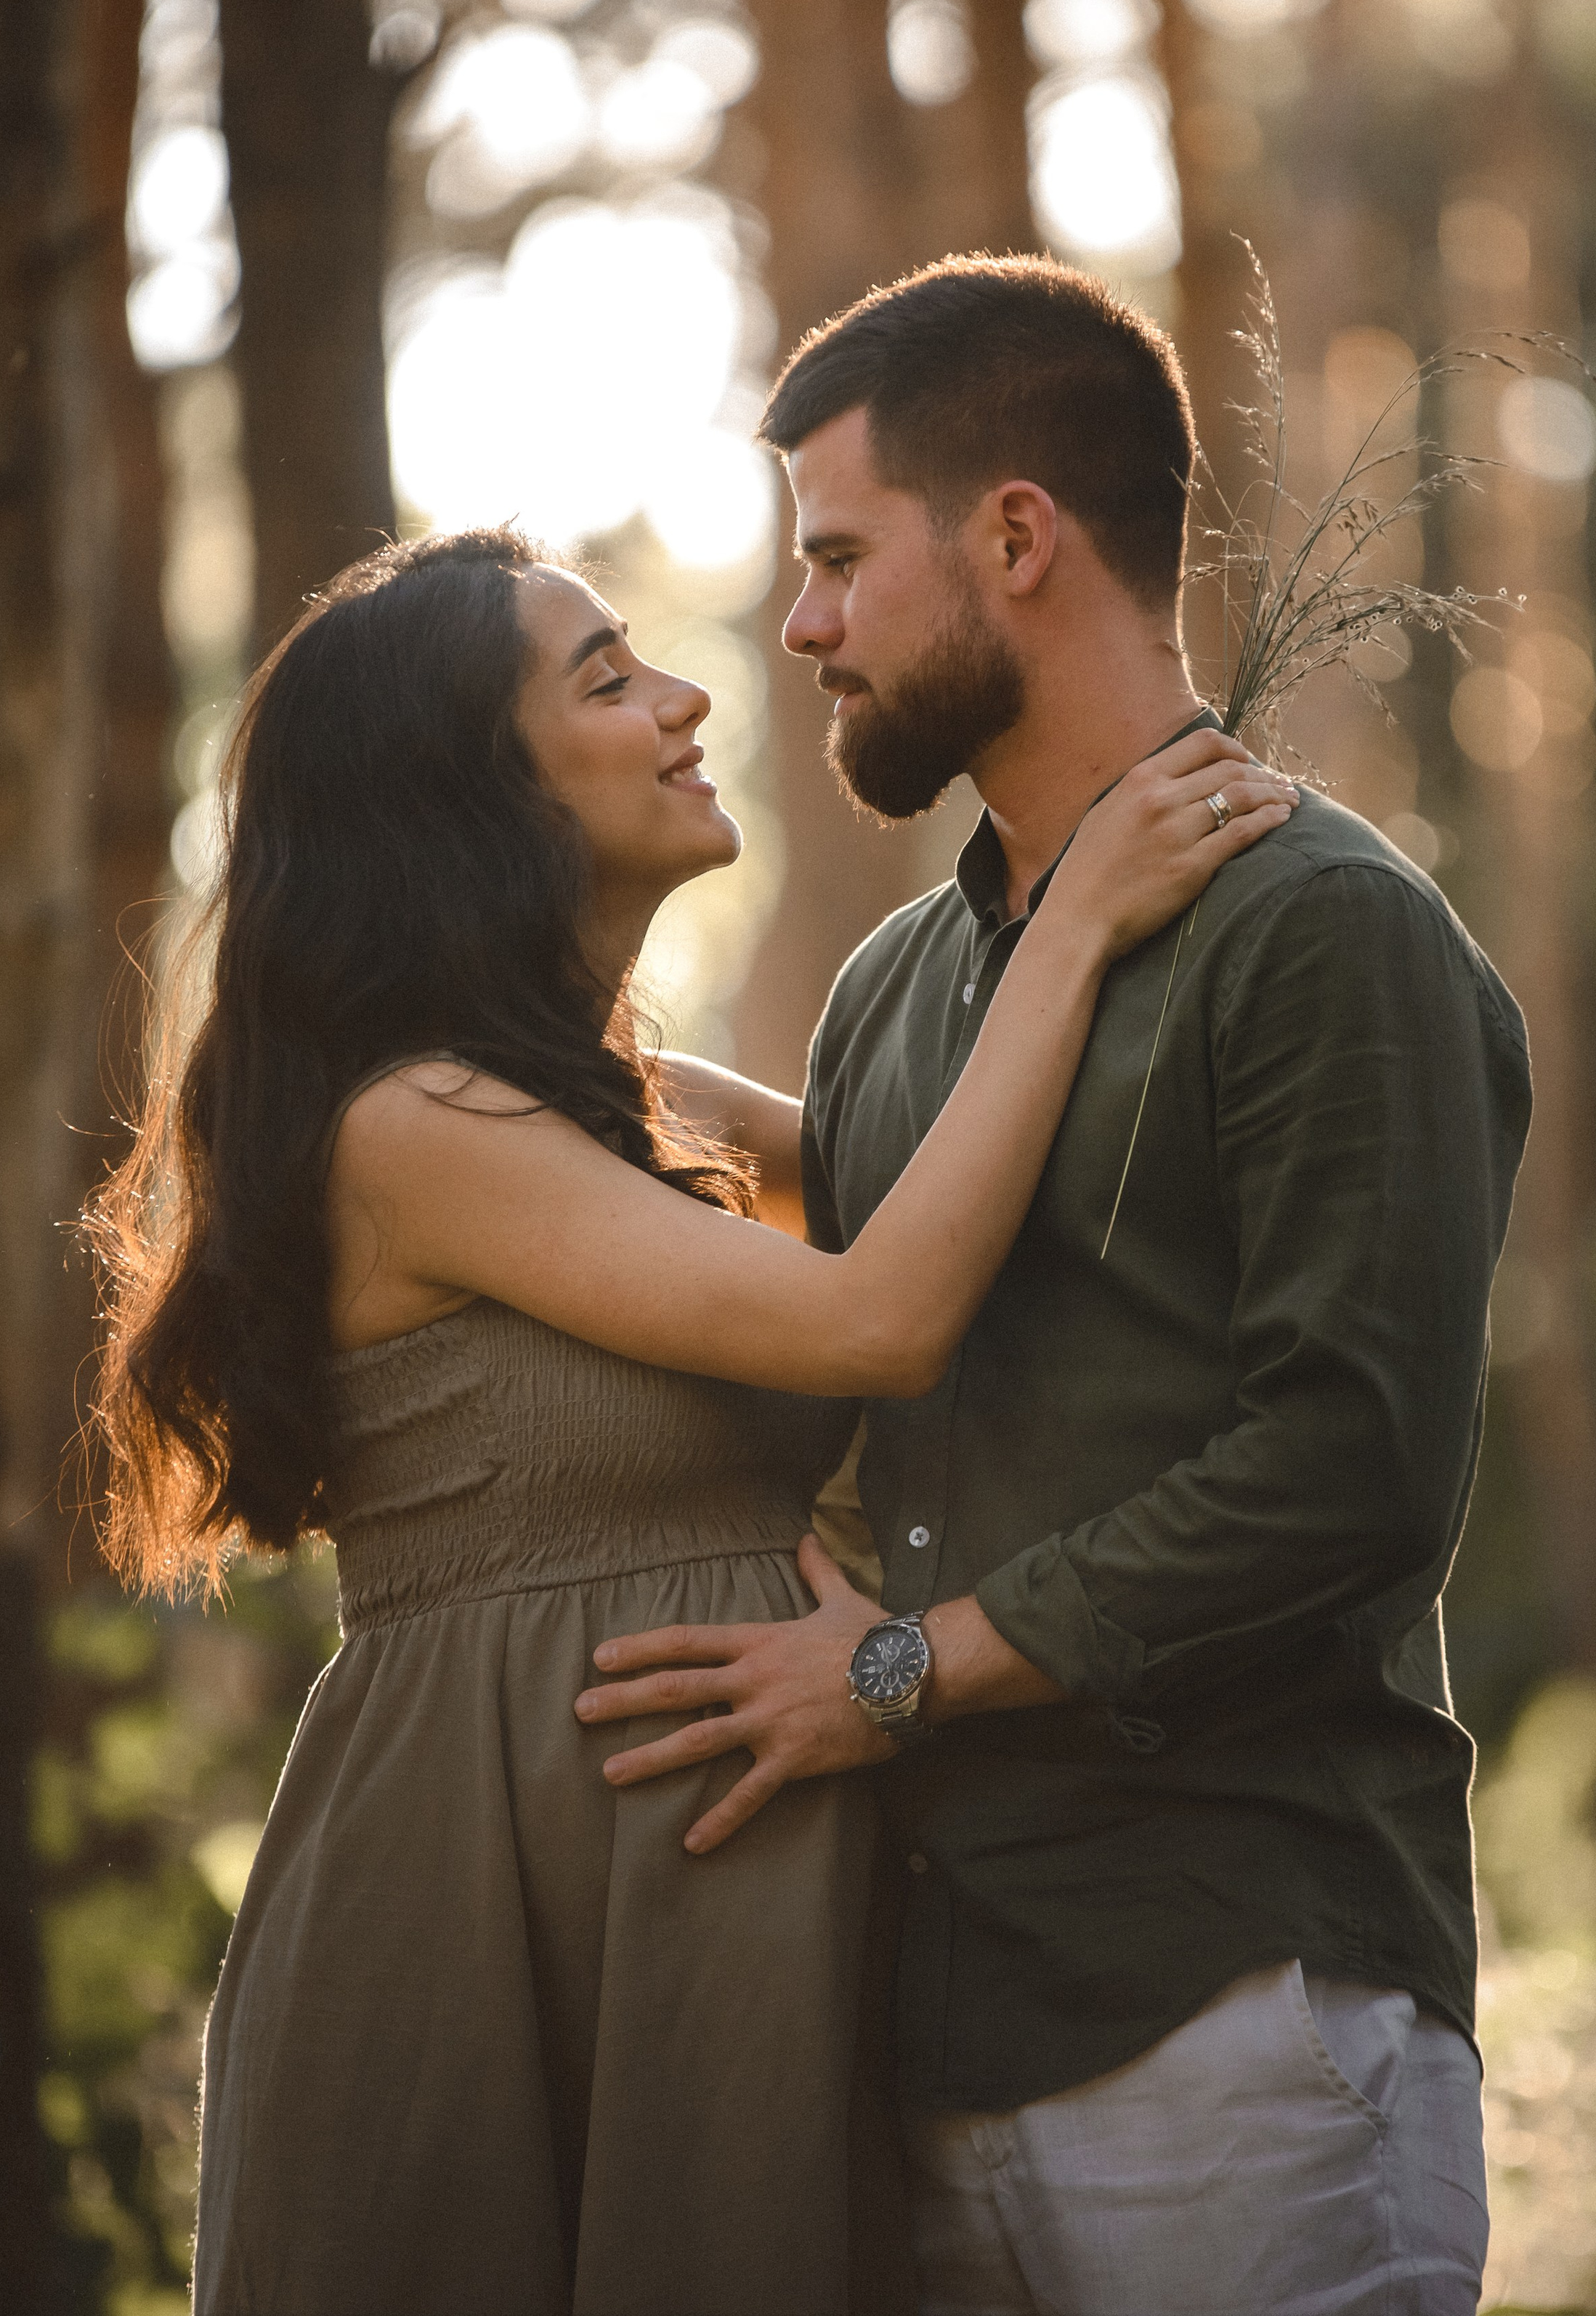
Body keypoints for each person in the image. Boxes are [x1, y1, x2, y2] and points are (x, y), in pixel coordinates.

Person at [86, 523, 1290, 2316]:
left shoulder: (622, 1100)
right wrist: (1087, 917)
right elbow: (881, 1311)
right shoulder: (415, 1123)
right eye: (604, 677)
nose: (686, 696)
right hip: (495, 1887)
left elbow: (953, 1187)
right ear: (466, 795)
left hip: (714, 1885)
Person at [575, 256, 1534, 2316]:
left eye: (837, 557)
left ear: (1016, 534)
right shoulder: (894, 993)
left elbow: (1350, 1468)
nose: (802, 623)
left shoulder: (1324, 933)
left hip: (1235, 2016)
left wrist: (902, 1669)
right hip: (917, 2032)